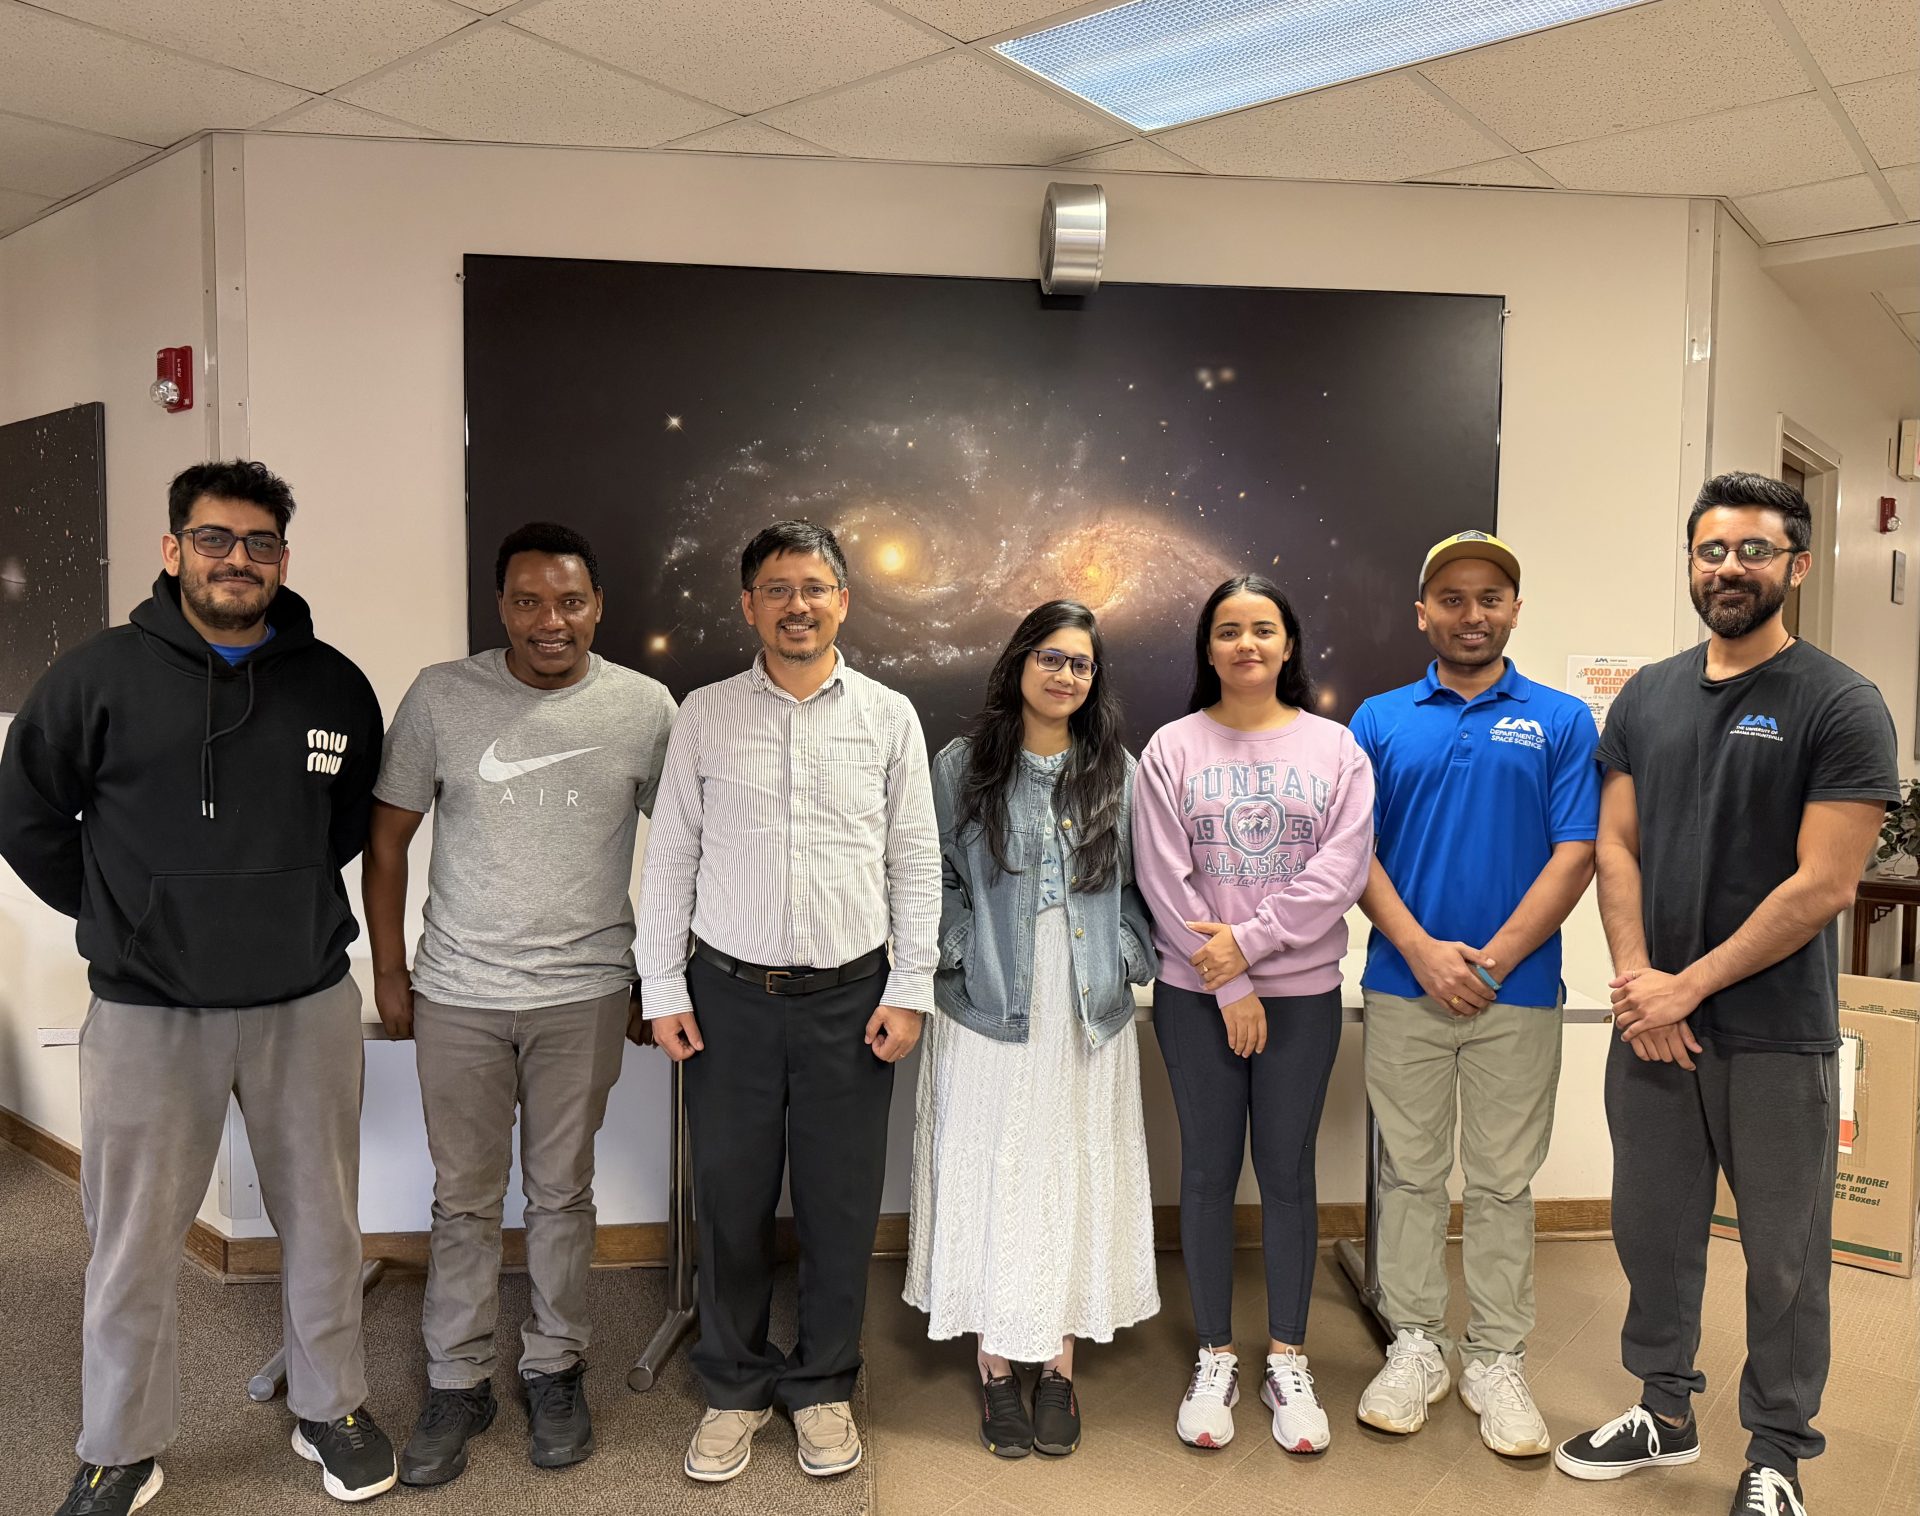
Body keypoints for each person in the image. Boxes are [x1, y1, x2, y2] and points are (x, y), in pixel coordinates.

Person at [0, 461, 394, 1514]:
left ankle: (330, 1407)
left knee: (325, 1225)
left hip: (302, 1001)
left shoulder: (334, 685)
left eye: (260, 543)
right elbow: (26, 818)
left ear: (283, 559)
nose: (237, 560)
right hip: (147, 1010)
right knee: (131, 1243)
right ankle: (121, 1446)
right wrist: (121, 913)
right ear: (173, 549)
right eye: (214, 538)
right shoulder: (96, 677)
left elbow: (343, 825)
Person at [1555, 474, 1897, 1516]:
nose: (1730, 568)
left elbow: (1825, 884)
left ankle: (1777, 1452)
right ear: (1692, 563)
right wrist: (1638, 987)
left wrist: (1685, 989)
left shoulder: (1841, 703)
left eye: (1754, 550)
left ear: (1798, 565)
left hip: (1775, 1037)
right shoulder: (1647, 697)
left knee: (1784, 1257)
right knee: (1651, 1232)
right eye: (1712, 550)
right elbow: (1615, 845)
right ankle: (1663, 1410)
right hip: (1652, 1027)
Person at [360, 523, 675, 1486]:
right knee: (462, 1196)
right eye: (529, 602)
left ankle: (554, 1368)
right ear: (500, 606)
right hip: (458, 991)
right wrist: (390, 972)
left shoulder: (643, 706)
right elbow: (386, 841)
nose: (551, 621)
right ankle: (457, 1381)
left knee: (561, 1193)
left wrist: (657, 976)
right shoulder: (440, 697)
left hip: (585, 992)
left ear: (598, 607)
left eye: (570, 602)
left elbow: (690, 851)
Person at [635, 520, 940, 1484]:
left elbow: (915, 861)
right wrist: (662, 987)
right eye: (777, 588)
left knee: (839, 1207)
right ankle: (732, 1386)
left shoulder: (888, 716)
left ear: (843, 600)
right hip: (727, 999)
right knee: (729, 1200)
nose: (796, 605)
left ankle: (822, 1385)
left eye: (814, 587)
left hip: (854, 1002)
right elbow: (670, 859)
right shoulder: (705, 713)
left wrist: (911, 987)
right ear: (749, 605)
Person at [1349, 530, 1598, 1456]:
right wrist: (1422, 952)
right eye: (1451, 598)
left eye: (1490, 598)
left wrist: (1490, 961)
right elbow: (1353, 852)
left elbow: (1577, 851)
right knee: (1409, 1175)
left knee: (1501, 1183)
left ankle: (1495, 1357)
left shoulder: (1562, 720)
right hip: (1403, 985)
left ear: (1515, 611)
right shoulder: (1378, 720)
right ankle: (1415, 1345)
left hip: (1518, 994)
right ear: (1423, 613)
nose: (1472, 614)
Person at [904, 600, 1160, 1460]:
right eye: (1050, 657)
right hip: (987, 1003)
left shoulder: (1116, 770)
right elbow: (928, 873)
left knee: (1069, 1170)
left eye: (1081, 663)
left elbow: (1148, 885)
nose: (1065, 674)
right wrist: (957, 947)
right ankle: (993, 1365)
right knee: (997, 1166)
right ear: (1019, 663)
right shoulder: (962, 764)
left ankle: (1056, 1365)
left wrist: (1128, 952)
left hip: (1085, 1006)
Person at [1132, 573, 1374, 1455]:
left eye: (1263, 629)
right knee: (1205, 1171)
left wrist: (1252, 946)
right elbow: (1161, 877)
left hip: (1301, 995)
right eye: (1228, 630)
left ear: (1288, 645)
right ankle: (1214, 1357)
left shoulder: (1337, 749)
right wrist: (1228, 982)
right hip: (1196, 996)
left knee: (1286, 1173)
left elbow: (1341, 870)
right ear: (1208, 647)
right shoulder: (1170, 749)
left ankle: (1287, 1360)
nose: (1246, 644)